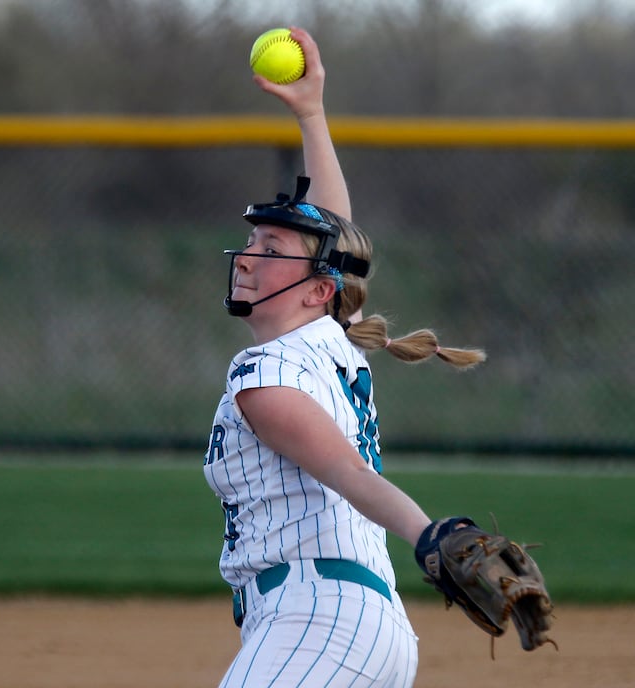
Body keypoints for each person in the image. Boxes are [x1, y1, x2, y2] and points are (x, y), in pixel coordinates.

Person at [203, 27, 485, 687]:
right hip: (354, 625)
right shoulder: (327, 335)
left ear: (318, 291)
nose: (249, 256)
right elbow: (331, 231)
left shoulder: (263, 377)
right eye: (253, 242)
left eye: (272, 250)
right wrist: (310, 113)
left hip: (318, 618)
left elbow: (350, 475)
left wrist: (431, 537)